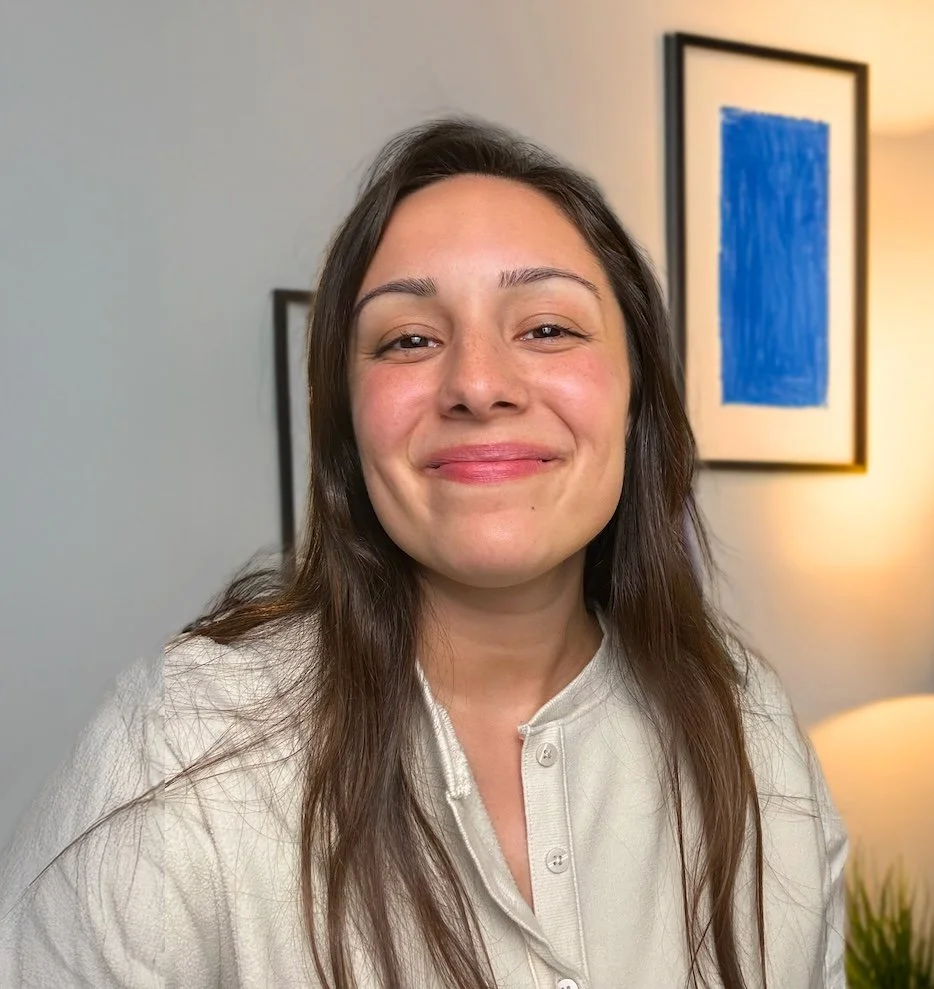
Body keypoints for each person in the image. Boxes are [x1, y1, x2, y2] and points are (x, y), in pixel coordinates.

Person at [0, 118, 847, 989]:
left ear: (637, 398)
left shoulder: (750, 732)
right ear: (348, 419)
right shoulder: (181, 751)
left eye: (549, 328)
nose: (478, 384)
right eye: (408, 339)